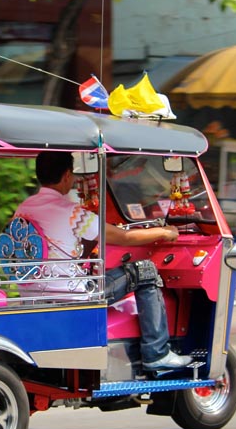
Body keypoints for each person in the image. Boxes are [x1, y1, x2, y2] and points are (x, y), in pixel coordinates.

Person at [14, 151, 192, 371]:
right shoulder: (70, 212)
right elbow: (123, 237)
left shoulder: (24, 208)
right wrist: (164, 233)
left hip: (33, 295)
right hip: (74, 297)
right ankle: (157, 353)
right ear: (67, 175)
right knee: (145, 270)